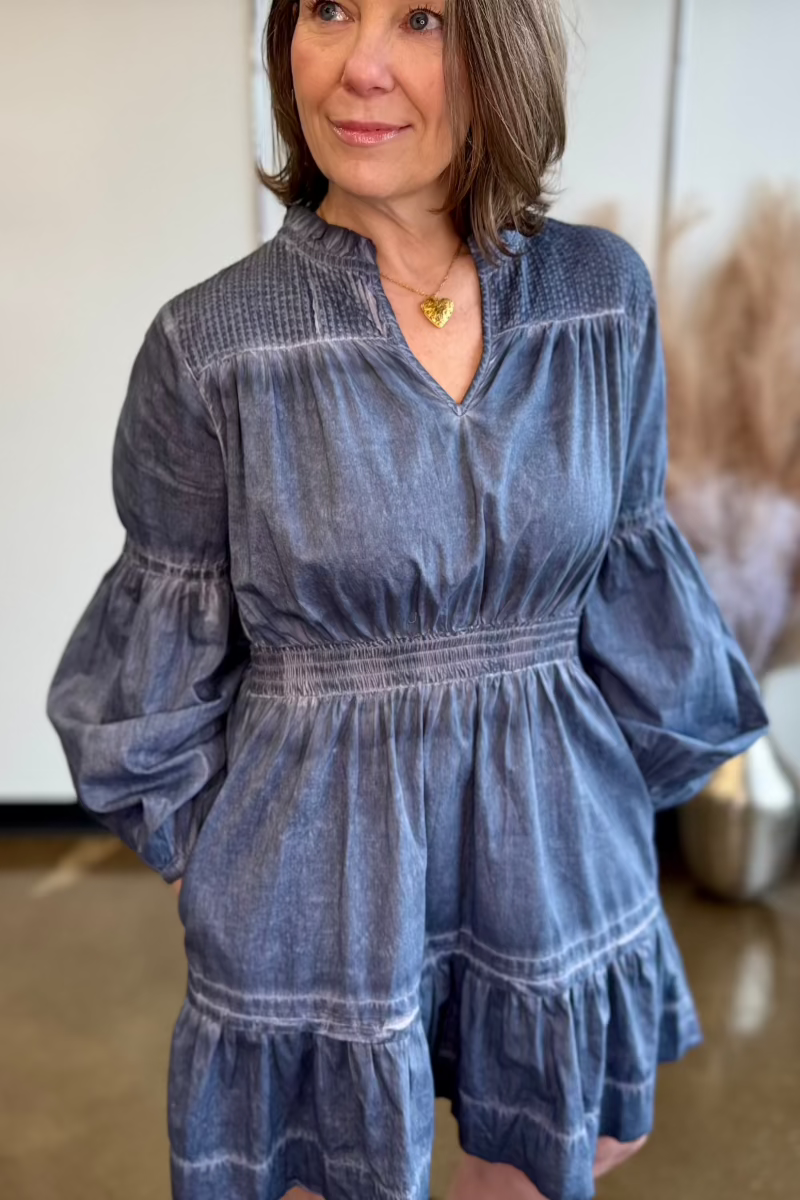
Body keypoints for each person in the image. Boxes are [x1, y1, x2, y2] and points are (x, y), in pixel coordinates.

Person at [46, 0, 771, 1197]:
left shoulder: (598, 298)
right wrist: (215, 869)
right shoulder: (212, 344)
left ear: (498, 52)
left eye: (421, 18)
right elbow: (156, 655)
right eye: (328, 9)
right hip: (311, 891)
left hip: (552, 856)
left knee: (552, 1157)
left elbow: (630, 577)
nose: (360, 65)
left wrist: (599, 821)